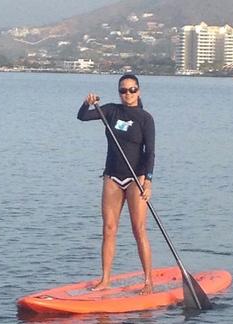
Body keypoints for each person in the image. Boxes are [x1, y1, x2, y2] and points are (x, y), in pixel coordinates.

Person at [77, 74, 155, 294]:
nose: (127, 94)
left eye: (132, 90)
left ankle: (148, 281)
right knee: (109, 229)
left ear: (138, 91)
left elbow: (150, 153)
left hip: (135, 178)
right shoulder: (110, 111)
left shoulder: (145, 119)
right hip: (112, 176)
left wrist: (147, 181)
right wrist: (87, 102)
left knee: (138, 229)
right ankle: (105, 280)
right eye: (123, 90)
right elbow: (82, 117)